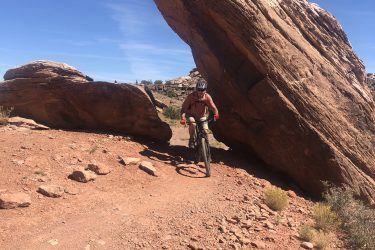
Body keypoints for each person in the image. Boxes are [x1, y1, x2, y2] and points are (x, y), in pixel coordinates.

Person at [180, 79, 219, 148]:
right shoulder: (191, 97)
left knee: (205, 131)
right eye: (199, 90)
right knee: (193, 124)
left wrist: (216, 115)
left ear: (205, 90)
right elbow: (184, 109)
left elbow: (213, 108)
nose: (200, 92)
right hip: (191, 115)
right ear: (196, 89)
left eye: (202, 90)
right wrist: (183, 118)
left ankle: (206, 149)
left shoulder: (207, 97)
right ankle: (191, 139)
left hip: (201, 116)